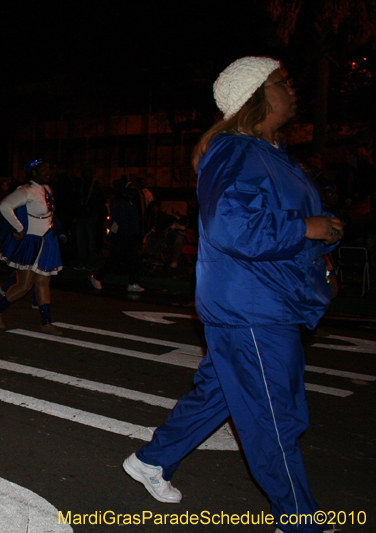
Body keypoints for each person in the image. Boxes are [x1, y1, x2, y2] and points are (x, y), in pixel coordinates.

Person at [121, 57, 344, 533]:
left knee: (221, 391)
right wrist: (308, 227)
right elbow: (231, 227)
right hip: (252, 303)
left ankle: (152, 460)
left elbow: (294, 222)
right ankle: (298, 520)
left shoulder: (274, 152)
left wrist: (323, 241)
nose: (292, 88)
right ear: (256, 95)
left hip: (269, 297)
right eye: (283, 82)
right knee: (274, 413)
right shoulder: (232, 150)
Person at [0, 159, 63, 335]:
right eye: (44, 170)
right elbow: (4, 206)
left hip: (47, 242)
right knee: (25, 285)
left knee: (43, 283)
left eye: (49, 169)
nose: (49, 173)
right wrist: (19, 228)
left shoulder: (47, 190)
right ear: (34, 173)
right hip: (31, 242)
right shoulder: (26, 191)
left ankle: (46, 323)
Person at [90, 181, 145, 292]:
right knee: (115, 259)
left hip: (128, 236)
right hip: (121, 236)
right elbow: (121, 221)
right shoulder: (120, 204)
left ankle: (133, 282)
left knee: (132, 260)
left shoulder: (130, 204)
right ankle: (97, 277)